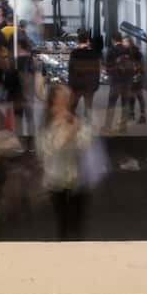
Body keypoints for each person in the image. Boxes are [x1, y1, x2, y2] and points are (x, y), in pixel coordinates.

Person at [40, 83, 92, 239]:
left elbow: (85, 144)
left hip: (77, 178)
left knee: (77, 224)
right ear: (54, 100)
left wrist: (77, 129)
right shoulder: (47, 123)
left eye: (69, 96)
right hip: (57, 179)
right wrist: (69, 132)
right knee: (62, 223)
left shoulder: (74, 118)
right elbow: (48, 150)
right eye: (64, 96)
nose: (69, 99)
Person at [67, 31, 101, 120]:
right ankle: (87, 128)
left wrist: (70, 84)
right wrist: (96, 85)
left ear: (78, 41)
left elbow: (71, 70)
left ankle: (73, 125)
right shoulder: (94, 53)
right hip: (89, 84)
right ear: (88, 41)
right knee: (88, 108)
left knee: (72, 107)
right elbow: (97, 70)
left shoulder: (74, 53)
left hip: (77, 84)